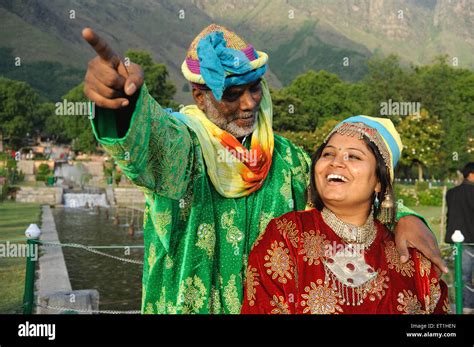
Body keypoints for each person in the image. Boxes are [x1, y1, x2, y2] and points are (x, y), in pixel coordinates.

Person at [82, 24, 446, 314]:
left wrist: (406, 217)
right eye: (231, 93)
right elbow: (151, 143)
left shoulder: (285, 158)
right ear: (199, 96)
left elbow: (348, 191)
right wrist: (124, 105)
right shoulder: (185, 145)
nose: (248, 104)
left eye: (254, 89)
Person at [241, 116, 449, 314]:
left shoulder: (411, 259)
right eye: (328, 154)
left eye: (354, 156)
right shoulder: (286, 236)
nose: (336, 163)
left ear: (379, 181)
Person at [445, 162, 474, 313]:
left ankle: (466, 304)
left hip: (458, 240)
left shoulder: (451, 193)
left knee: (463, 276)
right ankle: (468, 305)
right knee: (465, 276)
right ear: (471, 174)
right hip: (469, 240)